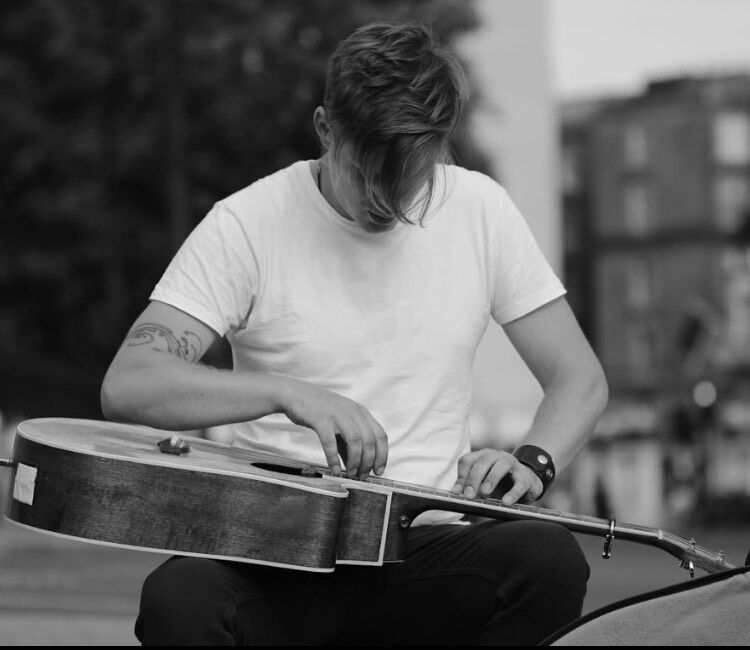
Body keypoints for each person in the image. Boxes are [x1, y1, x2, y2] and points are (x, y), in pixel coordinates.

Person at [101, 22, 608, 645]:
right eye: (370, 177)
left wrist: (532, 461)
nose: (390, 203)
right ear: (325, 130)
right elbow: (130, 383)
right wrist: (288, 392)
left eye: (411, 182)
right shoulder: (245, 224)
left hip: (425, 543)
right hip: (276, 552)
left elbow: (578, 377)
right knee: (178, 599)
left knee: (547, 560)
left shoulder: (481, 210)